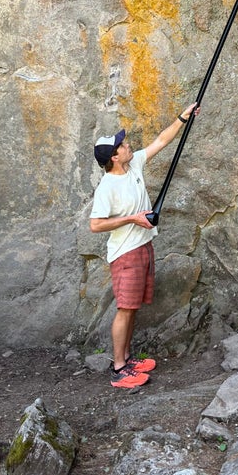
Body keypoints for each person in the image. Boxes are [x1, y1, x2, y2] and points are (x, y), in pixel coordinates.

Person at [90, 102, 199, 389]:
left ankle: (126, 358)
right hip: (125, 254)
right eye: (122, 146)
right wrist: (132, 219)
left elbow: (162, 141)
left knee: (133, 307)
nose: (128, 146)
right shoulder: (107, 188)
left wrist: (182, 118)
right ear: (114, 157)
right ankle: (118, 369)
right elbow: (96, 224)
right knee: (125, 309)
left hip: (143, 248)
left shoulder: (134, 163)